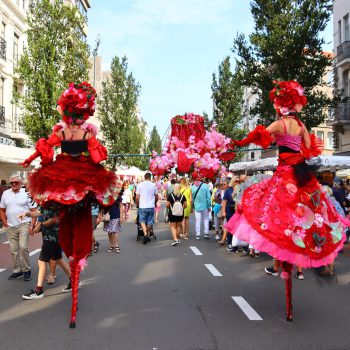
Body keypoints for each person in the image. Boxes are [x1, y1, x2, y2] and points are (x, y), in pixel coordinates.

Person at [226, 80, 348, 321]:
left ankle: (285, 273)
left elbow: (260, 135)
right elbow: (309, 150)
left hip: (285, 176)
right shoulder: (301, 126)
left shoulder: (280, 124)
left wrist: (237, 143)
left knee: (270, 211)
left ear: (281, 105)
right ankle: (290, 279)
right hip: (301, 177)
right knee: (304, 217)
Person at [21, 81, 119, 328]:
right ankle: (75, 272)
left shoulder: (64, 133)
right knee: (74, 227)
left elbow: (45, 149)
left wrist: (32, 158)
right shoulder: (85, 134)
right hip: (80, 181)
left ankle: (75, 270)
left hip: (66, 182)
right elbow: (97, 157)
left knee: (72, 225)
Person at [21, 208, 71, 299]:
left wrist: (41, 225)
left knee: (42, 261)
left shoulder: (53, 201)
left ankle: (38, 290)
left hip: (51, 238)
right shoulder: (47, 201)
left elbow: (55, 219)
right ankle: (73, 281)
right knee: (58, 259)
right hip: (53, 237)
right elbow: (40, 213)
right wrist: (27, 214)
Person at [0, 174, 37, 281]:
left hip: (24, 224)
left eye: (16, 182)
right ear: (10, 183)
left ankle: (26, 270)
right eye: (12, 183)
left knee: (23, 247)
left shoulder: (27, 193)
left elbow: (33, 210)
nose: (14, 184)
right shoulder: (6, 193)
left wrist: (32, 225)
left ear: (20, 183)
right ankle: (17, 271)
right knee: (13, 250)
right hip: (11, 225)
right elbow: (1, 209)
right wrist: (5, 223)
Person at [136, 172, 158, 244]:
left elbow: (137, 197)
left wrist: (137, 204)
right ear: (150, 177)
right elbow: (156, 196)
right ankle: (147, 235)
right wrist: (154, 203)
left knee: (142, 221)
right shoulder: (153, 185)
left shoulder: (140, 185)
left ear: (144, 177)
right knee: (149, 221)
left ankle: (145, 234)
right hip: (151, 206)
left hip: (142, 206)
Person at [102, 183, 123, 253]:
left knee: (114, 231)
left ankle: (116, 245)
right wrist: (100, 215)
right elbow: (103, 205)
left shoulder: (117, 195)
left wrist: (121, 216)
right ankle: (111, 245)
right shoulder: (105, 195)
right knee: (109, 231)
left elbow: (120, 206)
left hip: (116, 215)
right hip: (107, 215)